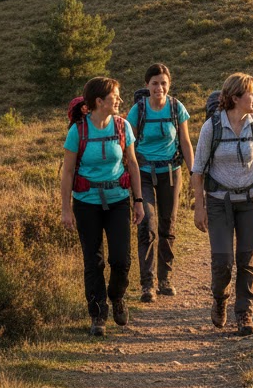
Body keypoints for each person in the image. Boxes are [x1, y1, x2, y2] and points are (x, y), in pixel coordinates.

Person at [192, 73, 253, 336]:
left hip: (252, 200)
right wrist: (199, 206)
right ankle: (220, 298)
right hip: (219, 202)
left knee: (247, 259)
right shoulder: (212, 127)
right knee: (223, 261)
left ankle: (244, 314)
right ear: (236, 97)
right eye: (252, 93)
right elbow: (197, 171)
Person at [61, 76, 145, 338]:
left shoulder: (123, 127)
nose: (119, 100)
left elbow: (132, 164)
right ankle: (98, 314)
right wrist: (66, 208)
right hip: (86, 203)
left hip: (118, 199)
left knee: (121, 258)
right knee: (93, 261)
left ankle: (117, 296)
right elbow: (67, 172)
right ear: (99, 101)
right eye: (114, 97)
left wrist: (138, 200)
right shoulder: (78, 131)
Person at [126, 63, 194, 303]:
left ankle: (165, 279)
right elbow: (129, 145)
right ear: (147, 85)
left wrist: (194, 172)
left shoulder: (177, 108)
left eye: (163, 83)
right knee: (148, 225)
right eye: (154, 83)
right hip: (143, 173)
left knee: (168, 225)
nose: (159, 87)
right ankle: (147, 284)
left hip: (171, 172)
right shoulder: (138, 110)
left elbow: (185, 143)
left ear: (169, 85)